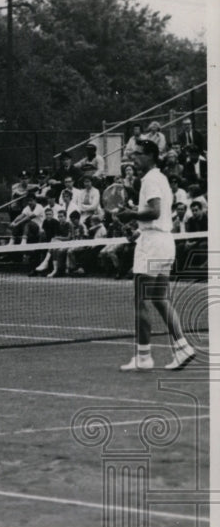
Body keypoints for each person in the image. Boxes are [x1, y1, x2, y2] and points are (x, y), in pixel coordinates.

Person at [116, 140, 193, 371]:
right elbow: (157, 218)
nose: (134, 158)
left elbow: (155, 211)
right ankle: (183, 347)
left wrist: (129, 213)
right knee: (160, 299)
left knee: (140, 300)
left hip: (153, 246)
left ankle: (144, 357)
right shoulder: (160, 178)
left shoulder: (150, 179)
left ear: (150, 155)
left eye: (138, 154)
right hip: (163, 242)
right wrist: (136, 231)